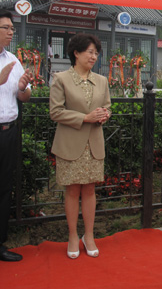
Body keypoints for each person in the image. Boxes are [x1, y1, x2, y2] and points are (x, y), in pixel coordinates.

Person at [49, 33, 111, 259]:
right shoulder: (61, 79)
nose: (94, 56)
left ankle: (89, 235)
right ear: (76, 53)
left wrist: (104, 115)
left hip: (93, 145)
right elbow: (55, 112)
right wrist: (85, 118)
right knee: (72, 190)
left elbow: (107, 107)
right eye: (90, 52)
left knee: (90, 190)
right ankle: (73, 236)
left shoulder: (101, 81)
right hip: (70, 144)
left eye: (96, 53)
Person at [0, 9, 32, 262]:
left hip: (8, 132)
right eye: (6, 27)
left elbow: (24, 95)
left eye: (11, 27)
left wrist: (22, 88)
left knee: (4, 188)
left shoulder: (13, 59)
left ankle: (0, 243)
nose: (12, 32)